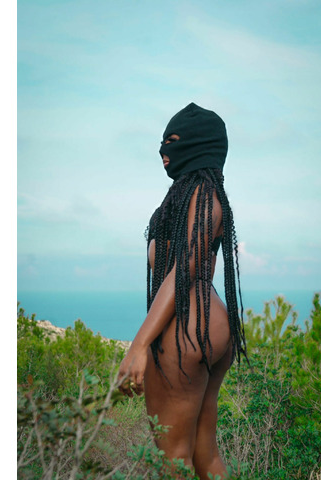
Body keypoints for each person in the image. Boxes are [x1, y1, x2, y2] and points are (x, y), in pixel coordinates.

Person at [118, 102, 247, 479]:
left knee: (172, 459)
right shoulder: (201, 194)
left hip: (187, 326)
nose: (163, 151)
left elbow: (184, 268)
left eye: (173, 141)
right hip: (210, 323)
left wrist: (139, 345)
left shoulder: (202, 194)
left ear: (200, 143)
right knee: (205, 454)